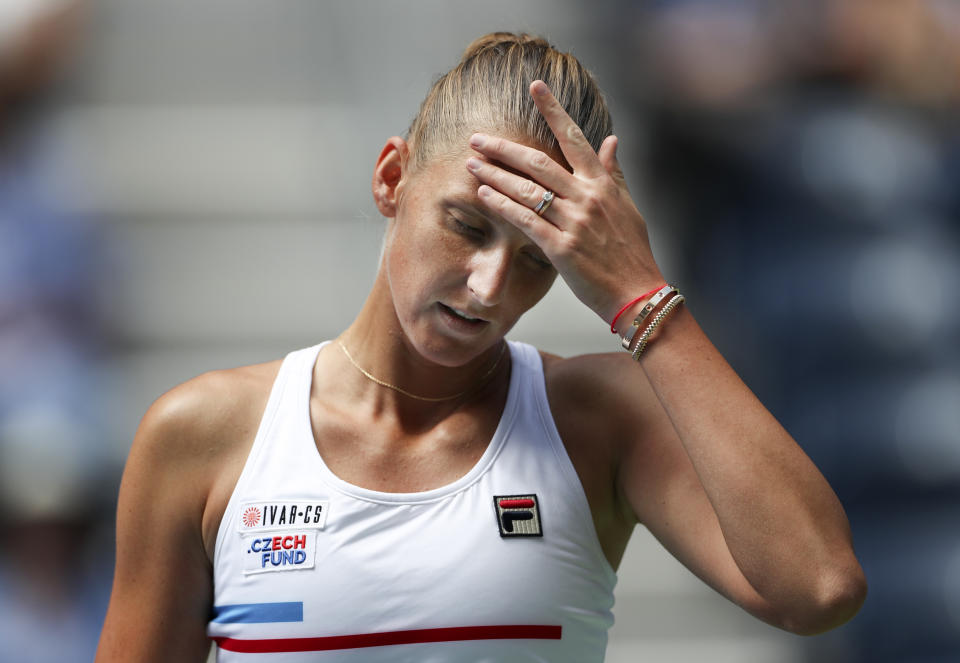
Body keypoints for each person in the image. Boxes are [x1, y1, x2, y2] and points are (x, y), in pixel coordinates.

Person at [95, 32, 866, 662]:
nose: (490, 285)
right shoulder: (201, 435)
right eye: (466, 225)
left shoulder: (598, 417)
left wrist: (643, 297)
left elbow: (820, 585)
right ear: (391, 178)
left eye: (538, 255)